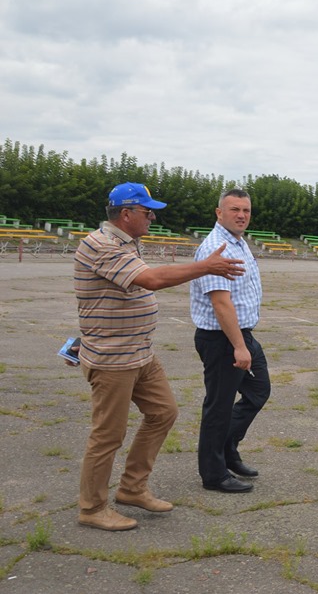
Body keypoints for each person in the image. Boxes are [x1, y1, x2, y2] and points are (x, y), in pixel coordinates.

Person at [72, 182, 246, 531]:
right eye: (147, 211)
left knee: (163, 412)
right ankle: (92, 508)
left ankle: (132, 488)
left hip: (139, 353)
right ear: (126, 214)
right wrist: (205, 267)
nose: (152, 216)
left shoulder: (126, 243)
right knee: (108, 435)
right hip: (114, 359)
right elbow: (151, 280)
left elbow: (99, 298)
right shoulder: (101, 244)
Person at [190, 189, 270, 493]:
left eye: (246, 210)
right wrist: (238, 346)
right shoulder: (217, 247)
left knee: (258, 390)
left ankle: (228, 450)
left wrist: (243, 341)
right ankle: (213, 474)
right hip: (221, 338)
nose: (241, 215)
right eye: (234, 209)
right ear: (218, 213)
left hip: (241, 334)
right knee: (218, 407)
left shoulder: (239, 243)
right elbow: (220, 303)